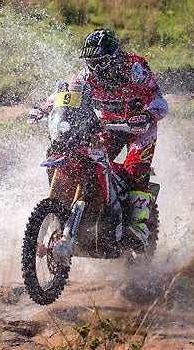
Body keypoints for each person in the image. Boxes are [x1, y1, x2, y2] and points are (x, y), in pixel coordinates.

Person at [29, 28, 168, 249]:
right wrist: (43, 109)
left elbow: (160, 101)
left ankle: (139, 225)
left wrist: (149, 114)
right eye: (89, 61)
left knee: (135, 168)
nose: (93, 66)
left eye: (98, 61)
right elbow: (66, 95)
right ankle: (79, 208)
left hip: (139, 126)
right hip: (109, 124)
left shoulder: (134, 68)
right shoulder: (86, 74)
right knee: (84, 155)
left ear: (112, 58)